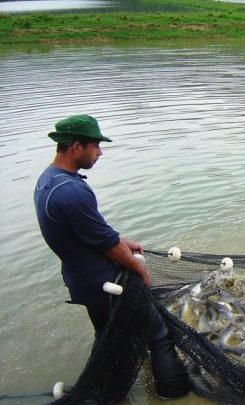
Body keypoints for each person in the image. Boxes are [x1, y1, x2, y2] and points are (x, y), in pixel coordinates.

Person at [34, 114, 189, 399]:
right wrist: (138, 269)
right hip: (109, 284)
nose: (100, 152)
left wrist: (124, 242)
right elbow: (105, 243)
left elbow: (91, 232)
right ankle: (174, 393)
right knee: (158, 335)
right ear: (76, 147)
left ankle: (107, 390)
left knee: (107, 337)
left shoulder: (49, 179)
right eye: (96, 146)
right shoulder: (71, 192)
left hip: (83, 281)